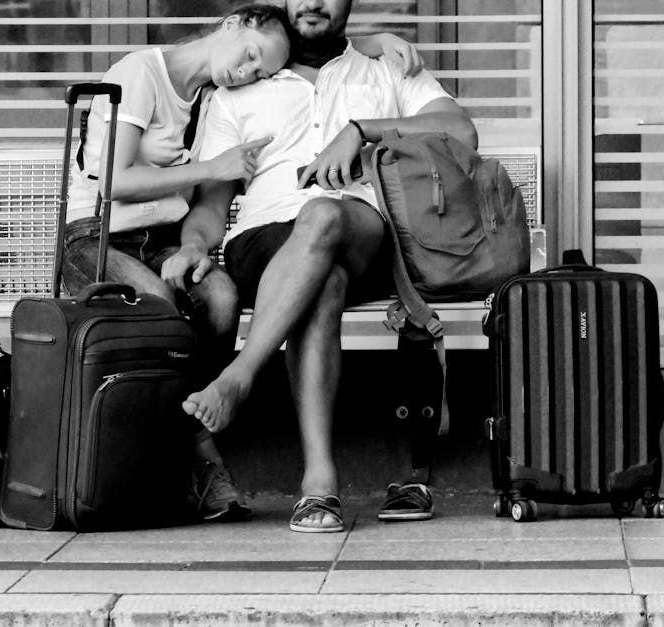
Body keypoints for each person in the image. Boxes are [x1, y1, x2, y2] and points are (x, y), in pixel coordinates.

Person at [61, 3, 426, 522]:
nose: (249, 71)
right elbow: (135, 185)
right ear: (234, 23)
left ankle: (238, 379)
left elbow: (317, 41)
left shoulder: (210, 89)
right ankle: (241, 464)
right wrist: (199, 228)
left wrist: (373, 52)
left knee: (237, 283)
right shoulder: (155, 76)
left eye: (260, 69)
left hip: (190, 238)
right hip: (103, 237)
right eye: (251, 57)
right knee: (302, 283)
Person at [161, 0, 478, 533]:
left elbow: (460, 132)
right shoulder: (239, 86)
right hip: (262, 242)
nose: (311, 2)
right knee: (323, 280)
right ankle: (318, 484)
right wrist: (194, 244)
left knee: (323, 213)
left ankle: (240, 376)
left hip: (363, 235)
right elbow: (213, 202)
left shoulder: (384, 69)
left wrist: (361, 129)